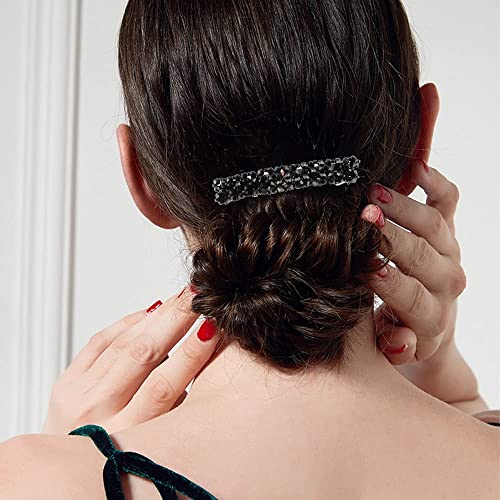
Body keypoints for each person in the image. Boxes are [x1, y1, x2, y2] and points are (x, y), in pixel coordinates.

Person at [1, 0, 498, 498]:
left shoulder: (40, 480)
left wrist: (54, 466)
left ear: (143, 179)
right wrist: (440, 370)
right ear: (419, 139)